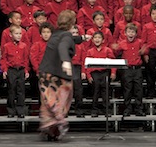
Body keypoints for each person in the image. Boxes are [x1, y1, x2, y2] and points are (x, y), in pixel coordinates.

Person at [38, 10, 90, 140]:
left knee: (48, 102)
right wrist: (66, 61)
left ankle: (50, 130)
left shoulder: (56, 33)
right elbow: (63, 46)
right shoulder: (66, 36)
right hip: (58, 75)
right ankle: (57, 124)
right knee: (61, 100)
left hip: (45, 73)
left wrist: (82, 38)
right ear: (72, 23)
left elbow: (69, 39)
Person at [112, 23, 145, 116]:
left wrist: (144, 51)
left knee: (139, 90)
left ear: (136, 33)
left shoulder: (139, 42)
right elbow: (115, 52)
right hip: (127, 70)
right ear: (125, 33)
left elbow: (146, 49)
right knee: (127, 90)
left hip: (137, 69)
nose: (131, 34)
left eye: (133, 32)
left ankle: (139, 109)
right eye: (129, 32)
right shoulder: (122, 43)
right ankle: (127, 109)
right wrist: (115, 48)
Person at [0, 24, 29, 118]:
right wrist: (4, 70)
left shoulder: (24, 46)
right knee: (11, 90)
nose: (19, 35)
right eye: (16, 33)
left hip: (20, 70)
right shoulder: (6, 46)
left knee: (21, 90)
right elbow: (4, 59)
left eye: (20, 33)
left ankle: (21, 110)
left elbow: (25, 59)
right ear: (11, 35)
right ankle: (11, 111)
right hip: (11, 70)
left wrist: (26, 70)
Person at [85, 32, 116, 118]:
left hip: (105, 72)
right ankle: (94, 110)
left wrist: (113, 72)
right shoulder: (90, 51)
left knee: (105, 92)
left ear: (103, 40)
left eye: (99, 38)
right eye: (95, 38)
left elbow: (113, 62)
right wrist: (88, 76)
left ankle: (107, 110)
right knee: (95, 92)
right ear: (92, 40)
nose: (97, 39)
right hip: (94, 73)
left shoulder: (108, 50)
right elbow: (87, 65)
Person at [70, 25, 86, 118]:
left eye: (76, 33)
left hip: (77, 68)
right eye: (73, 33)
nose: (75, 35)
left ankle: (79, 110)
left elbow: (84, 59)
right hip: (67, 67)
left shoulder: (81, 45)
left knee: (78, 90)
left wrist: (83, 71)